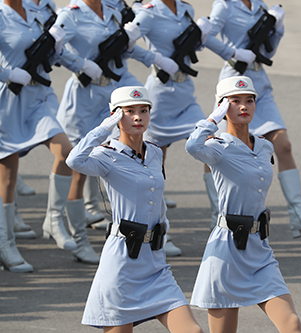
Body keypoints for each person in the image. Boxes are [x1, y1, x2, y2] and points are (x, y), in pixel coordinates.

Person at [67, 86, 203, 333]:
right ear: (116, 115)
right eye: (129, 111)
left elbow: (157, 198)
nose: (138, 117)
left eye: (143, 110)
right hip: (122, 261)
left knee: (193, 330)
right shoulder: (106, 155)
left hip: (155, 261)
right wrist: (103, 129)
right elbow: (74, 160)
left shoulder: (153, 152)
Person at [186, 76, 301, 332]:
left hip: (259, 249)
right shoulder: (217, 147)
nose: (244, 106)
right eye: (235, 101)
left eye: (249, 100)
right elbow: (192, 146)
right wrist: (213, 119)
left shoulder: (264, 145)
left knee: (292, 324)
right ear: (222, 106)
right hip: (227, 249)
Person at [203, 0, 301, 237]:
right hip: (234, 81)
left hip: (259, 83)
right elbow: (204, 36)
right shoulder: (224, 6)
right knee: (214, 147)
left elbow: (268, 51)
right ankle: (217, 215)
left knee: (283, 145)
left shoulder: (260, 7)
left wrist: (278, 27)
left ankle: (298, 214)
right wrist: (232, 52)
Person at [53, 0, 152, 263]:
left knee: (120, 158)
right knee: (77, 169)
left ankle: (132, 232)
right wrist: (80, 63)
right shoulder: (70, 15)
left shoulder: (113, 11)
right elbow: (53, 49)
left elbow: (121, 51)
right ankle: (79, 241)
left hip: (111, 93)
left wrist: (130, 43)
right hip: (84, 99)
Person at [131, 0, 213, 256]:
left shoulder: (185, 9)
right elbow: (125, 43)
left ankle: (221, 219)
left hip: (185, 92)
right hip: (161, 94)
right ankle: (159, 231)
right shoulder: (149, 12)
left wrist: (201, 35)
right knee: (156, 162)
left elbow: (192, 46)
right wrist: (154, 58)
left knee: (210, 144)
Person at [0, 0, 73, 272]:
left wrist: (56, 46)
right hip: (8, 102)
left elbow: (49, 58)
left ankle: (53, 220)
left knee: (66, 153)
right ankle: (5, 245)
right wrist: (7, 73)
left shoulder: (34, 12)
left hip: (39, 99)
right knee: (7, 178)